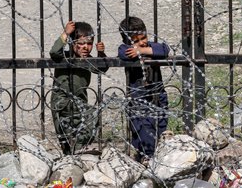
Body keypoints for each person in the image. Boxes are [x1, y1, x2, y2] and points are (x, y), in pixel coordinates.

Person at [50, 20, 107, 155]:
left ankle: (78, 151)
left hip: (80, 101)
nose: (85, 47)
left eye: (89, 44)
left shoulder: (88, 60)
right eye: (80, 44)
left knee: (88, 122)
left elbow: (101, 69)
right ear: (71, 43)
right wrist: (66, 33)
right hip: (62, 101)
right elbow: (54, 52)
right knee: (65, 133)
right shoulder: (65, 57)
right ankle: (72, 153)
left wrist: (101, 54)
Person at [118, 16, 170, 162]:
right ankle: (146, 159)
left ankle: (157, 159)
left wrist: (142, 50)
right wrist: (142, 51)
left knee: (160, 129)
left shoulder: (151, 46)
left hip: (158, 97)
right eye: (135, 41)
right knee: (143, 132)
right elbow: (123, 53)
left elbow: (165, 49)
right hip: (138, 100)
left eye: (144, 38)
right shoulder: (125, 49)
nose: (141, 42)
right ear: (127, 41)